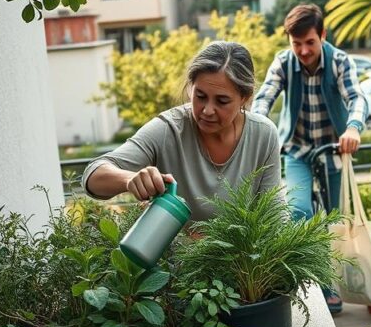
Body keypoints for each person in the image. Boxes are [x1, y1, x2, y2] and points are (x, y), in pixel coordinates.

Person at [252, 3, 368, 314]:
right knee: (299, 212)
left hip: (334, 150)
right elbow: (264, 96)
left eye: (310, 42)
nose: (303, 50)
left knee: (334, 221)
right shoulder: (284, 62)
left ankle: (337, 284)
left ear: (323, 36)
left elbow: (356, 98)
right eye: (296, 43)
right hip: (297, 150)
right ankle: (319, 286)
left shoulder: (340, 61)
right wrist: (258, 126)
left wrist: (353, 128)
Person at [82, 41, 281, 221]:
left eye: (222, 101)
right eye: (200, 96)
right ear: (190, 88)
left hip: (243, 260)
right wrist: (129, 179)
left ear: (244, 98)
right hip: (176, 260)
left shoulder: (263, 135)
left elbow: (274, 213)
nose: (207, 110)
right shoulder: (168, 129)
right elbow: (93, 176)